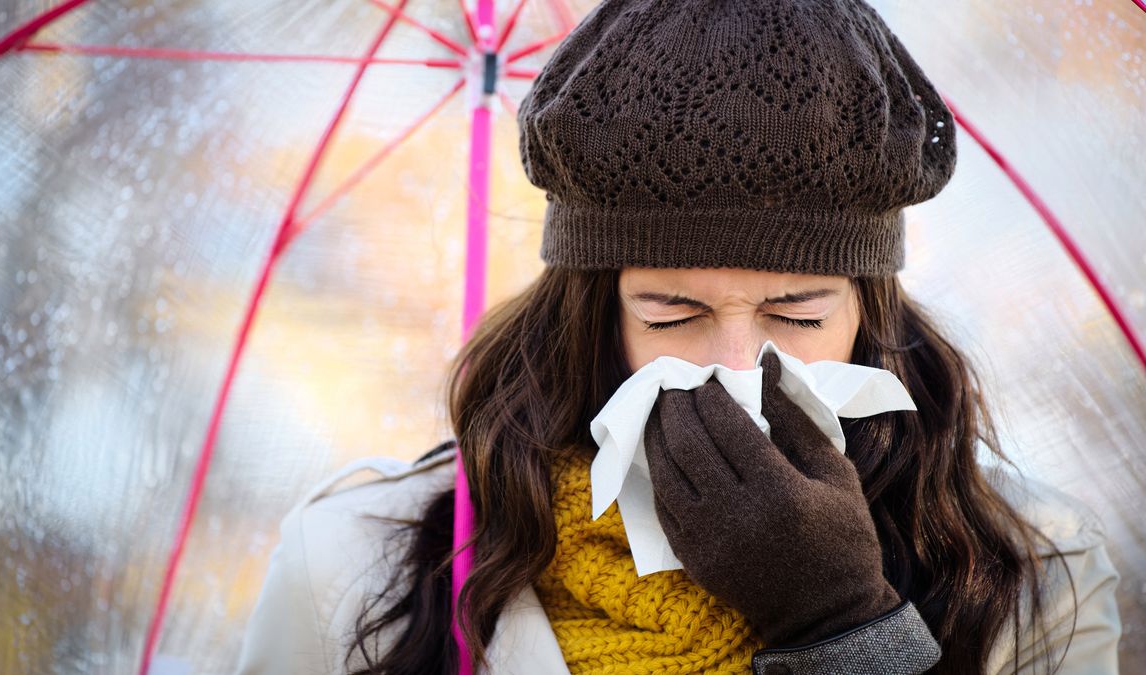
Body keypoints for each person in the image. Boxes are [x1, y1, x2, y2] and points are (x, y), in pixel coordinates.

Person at [234, 0, 1122, 672]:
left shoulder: (1037, 572)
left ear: (870, 314)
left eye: (798, 315)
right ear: (591, 317)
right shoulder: (355, 563)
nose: (736, 368)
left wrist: (846, 628)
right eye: (672, 315)